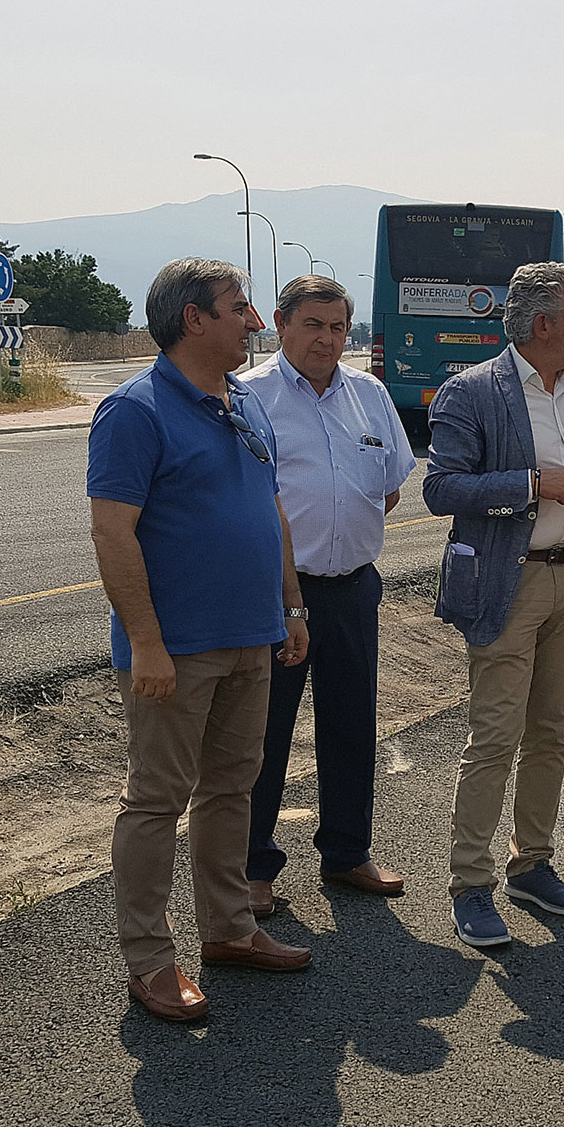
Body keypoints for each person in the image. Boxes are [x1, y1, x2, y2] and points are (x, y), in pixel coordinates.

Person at [87, 257, 314, 1023]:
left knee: (232, 787)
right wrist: (145, 643)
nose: (252, 321)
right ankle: (150, 961)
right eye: (238, 307)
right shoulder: (134, 411)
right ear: (194, 319)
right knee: (156, 800)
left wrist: (291, 605)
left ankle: (229, 929)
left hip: (252, 633)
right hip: (176, 648)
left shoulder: (242, 401)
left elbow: (269, 508)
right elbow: (112, 533)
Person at [422, 262, 564, 947]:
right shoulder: (471, 392)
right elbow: (441, 489)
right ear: (543, 325)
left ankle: (532, 863)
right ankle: (470, 884)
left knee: (551, 731)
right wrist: (532, 484)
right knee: (495, 736)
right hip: (509, 585)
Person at [239, 275, 416, 915]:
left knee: (351, 725)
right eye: (313, 324)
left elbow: (390, 486)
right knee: (263, 734)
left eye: (338, 327)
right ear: (281, 323)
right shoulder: (248, 396)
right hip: (273, 594)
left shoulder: (370, 395)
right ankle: (252, 868)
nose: (327, 339)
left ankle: (347, 853)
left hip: (352, 590)